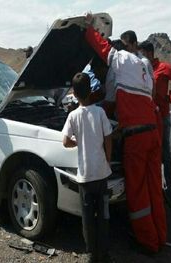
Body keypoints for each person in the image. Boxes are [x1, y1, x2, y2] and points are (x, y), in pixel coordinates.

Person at [84, 14, 166, 253]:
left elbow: (102, 48)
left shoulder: (118, 59)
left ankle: (148, 243)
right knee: (154, 189)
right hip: (153, 133)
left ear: (119, 48)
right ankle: (160, 236)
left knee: (138, 191)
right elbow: (137, 98)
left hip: (137, 139)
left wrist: (89, 29)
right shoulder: (145, 66)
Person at [63, 72, 112, 263]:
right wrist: (107, 159)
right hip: (101, 173)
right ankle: (105, 251)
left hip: (85, 177)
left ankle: (91, 252)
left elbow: (65, 141)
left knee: (88, 218)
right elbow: (108, 137)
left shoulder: (73, 116)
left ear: (74, 95)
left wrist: (78, 142)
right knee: (104, 214)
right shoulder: (100, 113)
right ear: (91, 91)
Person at [139, 40, 171, 197]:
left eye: (142, 53)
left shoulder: (164, 68)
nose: (140, 57)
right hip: (148, 119)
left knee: (165, 153)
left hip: (163, 117)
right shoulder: (143, 70)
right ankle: (156, 189)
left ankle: (170, 190)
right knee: (152, 154)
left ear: (150, 53)